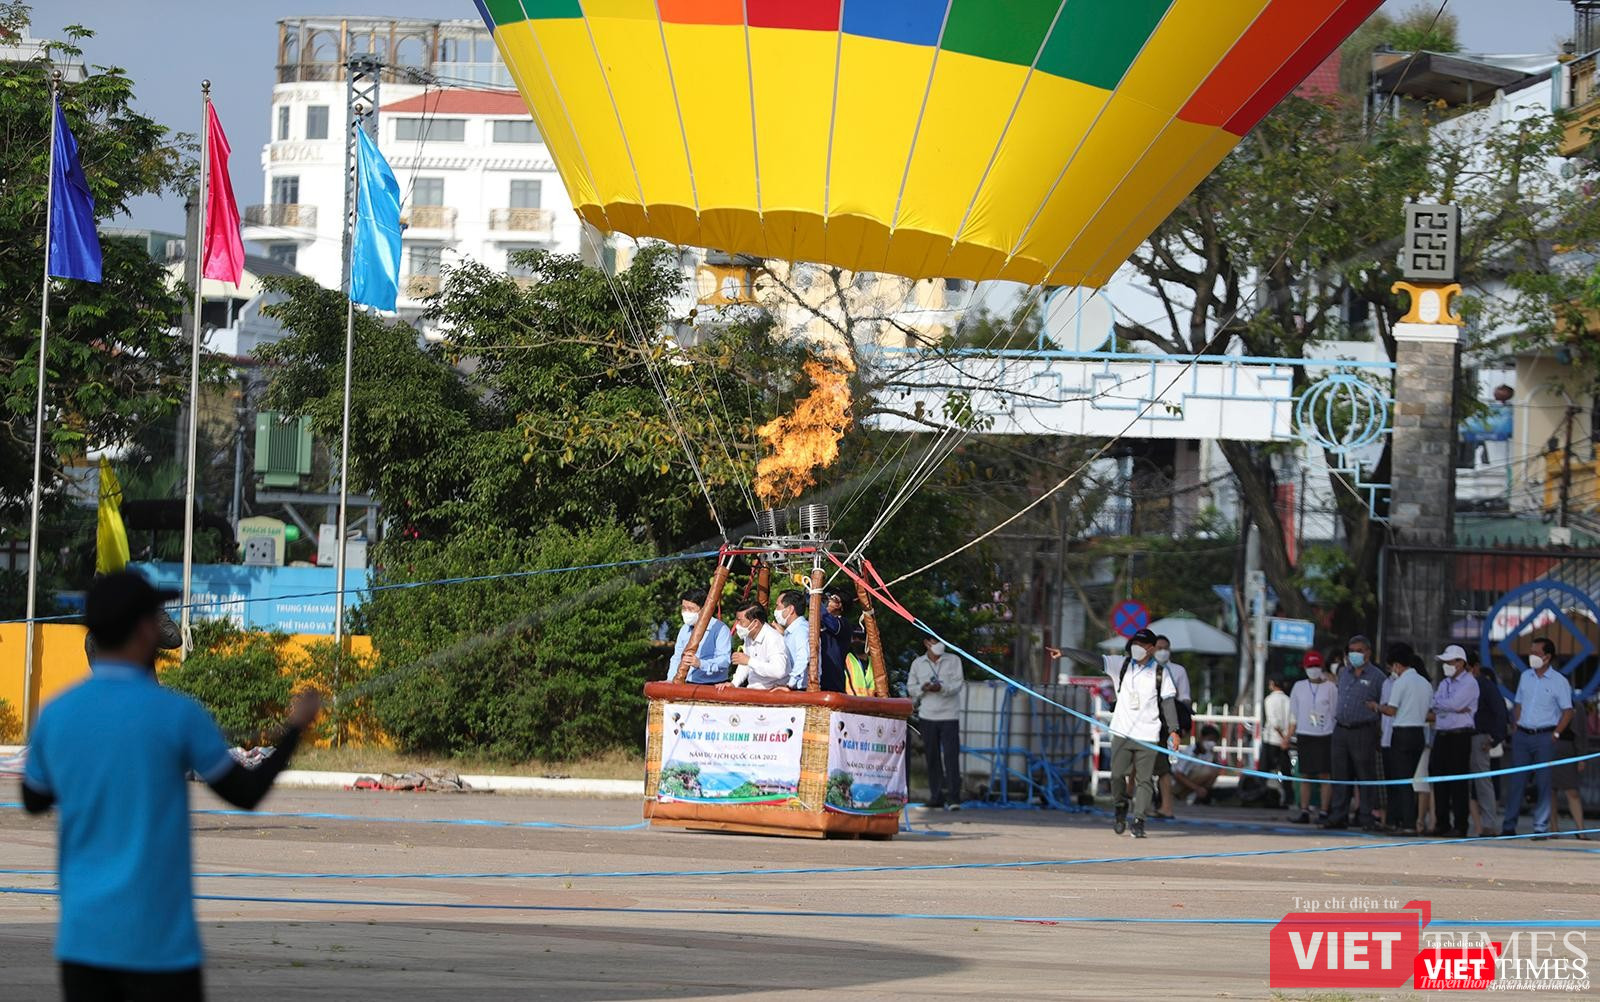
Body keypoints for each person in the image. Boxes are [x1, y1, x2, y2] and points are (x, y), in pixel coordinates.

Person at [21, 569, 321, 1002]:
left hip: (85, 944)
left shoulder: (57, 715)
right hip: (161, 946)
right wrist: (294, 729)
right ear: (145, 630)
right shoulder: (179, 716)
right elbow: (246, 792)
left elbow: (34, 800)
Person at [1102, 628, 1181, 839]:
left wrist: (1174, 731)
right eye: (1135, 643)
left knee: (1145, 780)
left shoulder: (1160, 673)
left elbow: (1168, 702)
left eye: (1143, 644)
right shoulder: (1122, 664)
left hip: (1148, 733)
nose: (1137, 648)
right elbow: (1093, 659)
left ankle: (1139, 820)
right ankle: (1120, 806)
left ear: (1152, 649)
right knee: (1117, 775)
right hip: (1121, 731)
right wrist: (1064, 652)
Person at [1500, 637, 1575, 838]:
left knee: (1544, 783)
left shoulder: (1559, 681)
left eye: (1535, 653)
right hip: (1522, 735)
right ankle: (1509, 826)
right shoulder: (1525, 676)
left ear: (1547, 657)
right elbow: (1518, 703)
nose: (1531, 656)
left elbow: (1568, 711)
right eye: (1531, 652)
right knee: (1517, 782)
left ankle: (1540, 827)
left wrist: (1557, 732)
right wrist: (1516, 725)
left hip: (1545, 736)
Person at [1325, 634, 1384, 830]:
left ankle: (1366, 816)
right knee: (1340, 774)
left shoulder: (1377, 677)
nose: (1355, 655)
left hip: (1363, 730)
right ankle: (1338, 815)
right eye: (1352, 651)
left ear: (1368, 652)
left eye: (1359, 651)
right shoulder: (1344, 673)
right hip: (1341, 729)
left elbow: (1383, 706)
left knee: (1365, 775)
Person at [1375, 643, 1431, 834]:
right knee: (1408, 779)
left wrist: (1376, 706)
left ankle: (1407, 823)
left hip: (1402, 733)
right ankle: (1399, 820)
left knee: (1401, 781)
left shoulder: (1401, 683)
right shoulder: (1425, 683)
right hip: (1418, 733)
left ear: (1398, 665)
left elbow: (1391, 710)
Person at [908, 636, 965, 810]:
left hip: (949, 715)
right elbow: (911, 687)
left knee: (951, 756)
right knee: (932, 757)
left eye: (941, 641)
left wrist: (942, 688)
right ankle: (936, 796)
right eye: (934, 642)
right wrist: (923, 689)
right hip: (927, 715)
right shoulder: (918, 663)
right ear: (926, 643)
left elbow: (958, 684)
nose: (939, 645)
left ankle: (954, 798)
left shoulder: (954, 660)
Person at [1428, 644, 1479, 837]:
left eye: (1450, 661)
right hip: (1442, 735)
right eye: (1445, 662)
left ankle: (1460, 825)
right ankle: (1442, 823)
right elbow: (1435, 703)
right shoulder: (1444, 683)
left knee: (1458, 782)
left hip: (1460, 735)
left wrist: (1447, 706)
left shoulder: (1470, 683)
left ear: (1461, 662)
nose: (1446, 665)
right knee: (1439, 780)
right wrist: (1449, 706)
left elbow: (1455, 704)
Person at [1287, 652, 1337, 824]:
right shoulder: (1299, 687)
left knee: (1325, 775)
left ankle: (1324, 811)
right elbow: (1293, 713)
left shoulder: (1330, 687)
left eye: (1316, 666)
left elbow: (1335, 711)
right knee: (1305, 774)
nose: (1313, 670)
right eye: (1310, 667)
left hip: (1325, 734)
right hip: (1305, 733)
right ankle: (1304, 810)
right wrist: (1288, 735)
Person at [1150, 635, 1193, 819]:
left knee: (1163, 767)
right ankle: (1146, 802)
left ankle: (1165, 806)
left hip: (1167, 723)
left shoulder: (1178, 671)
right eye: (1159, 647)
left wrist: (1180, 725)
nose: (1163, 651)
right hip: (1147, 720)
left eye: (1166, 647)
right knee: (1139, 765)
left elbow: (1184, 699)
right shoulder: (1145, 670)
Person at [1467, 654, 1507, 836]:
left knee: (1483, 781)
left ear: (1474, 667)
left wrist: (1495, 737)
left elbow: (1500, 712)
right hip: (1458, 735)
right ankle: (1468, 823)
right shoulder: (1453, 684)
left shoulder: (1485, 685)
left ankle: (1488, 824)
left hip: (1479, 736)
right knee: (1463, 783)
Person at [722, 602, 790, 691]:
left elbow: (779, 671)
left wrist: (749, 661)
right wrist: (734, 683)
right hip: (753, 690)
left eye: (741, 621)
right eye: (737, 621)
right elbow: (745, 664)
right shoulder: (748, 636)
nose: (737, 625)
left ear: (755, 623)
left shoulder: (773, 639)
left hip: (772, 693)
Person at [1549, 697, 1591, 840]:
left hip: (1568, 750)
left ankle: (1581, 830)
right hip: (1548, 747)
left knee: (1572, 791)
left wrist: (1581, 757)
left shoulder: (1576, 705)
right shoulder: (1547, 701)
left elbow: (1582, 733)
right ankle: (1553, 829)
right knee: (1549, 790)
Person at [671, 588, 732, 684]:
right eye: (684, 608)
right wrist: (670, 679)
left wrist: (701, 664)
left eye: (691, 609)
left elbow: (725, 660)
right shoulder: (684, 629)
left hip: (713, 685)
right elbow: (677, 657)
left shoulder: (720, 629)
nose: (686, 612)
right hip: (686, 683)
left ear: (703, 609)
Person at [1261, 675, 1293, 809]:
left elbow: (1273, 722)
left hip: (1272, 739)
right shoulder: (1288, 699)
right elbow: (1293, 721)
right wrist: (1286, 738)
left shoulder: (1269, 699)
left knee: (1264, 770)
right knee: (1286, 772)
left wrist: (1281, 737)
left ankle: (1262, 796)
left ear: (1273, 684)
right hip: (1285, 741)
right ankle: (1288, 798)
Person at [1172, 724, 1224, 804]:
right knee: (1207, 771)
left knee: (1213, 771)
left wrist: (1215, 755)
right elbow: (1178, 774)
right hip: (1176, 783)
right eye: (1210, 739)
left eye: (1214, 741)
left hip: (1190, 781)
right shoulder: (1190, 751)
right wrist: (1197, 788)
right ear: (1202, 737)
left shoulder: (1208, 753)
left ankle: (1199, 798)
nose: (1212, 743)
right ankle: (1179, 796)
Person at [774, 589, 811, 690]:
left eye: (778, 606)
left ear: (790, 609)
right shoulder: (792, 631)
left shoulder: (801, 630)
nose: (775, 611)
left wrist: (790, 685)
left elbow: (803, 657)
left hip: (800, 690)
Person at [817, 590, 852, 693]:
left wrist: (815, 600)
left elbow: (831, 624)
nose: (829, 600)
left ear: (840, 606)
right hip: (817, 677)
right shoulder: (818, 621)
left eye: (833, 599)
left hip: (832, 682)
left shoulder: (844, 624)